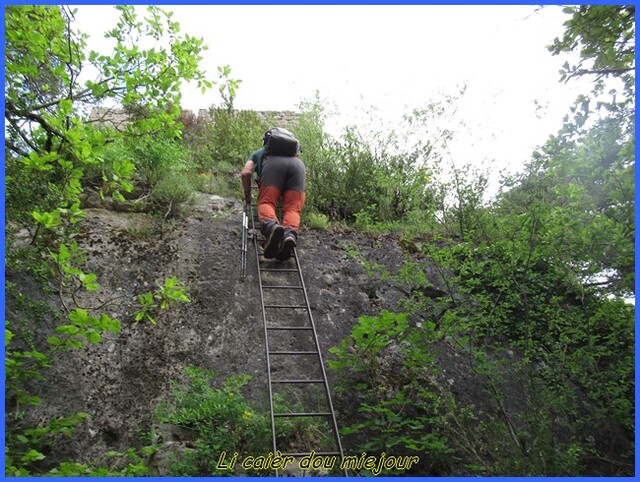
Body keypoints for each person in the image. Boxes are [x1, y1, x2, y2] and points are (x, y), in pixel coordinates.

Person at [241, 128, 306, 261]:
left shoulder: (259, 153)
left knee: (266, 202)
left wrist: (248, 194)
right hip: (298, 167)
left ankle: (272, 227)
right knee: (293, 208)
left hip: (273, 165)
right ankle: (289, 235)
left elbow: (246, 173)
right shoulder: (294, 155)